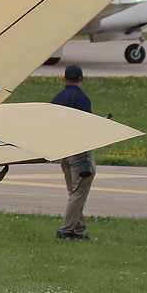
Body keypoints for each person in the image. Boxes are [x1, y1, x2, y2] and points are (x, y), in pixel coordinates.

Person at [51, 63, 94, 240]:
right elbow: (86, 126)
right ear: (82, 79)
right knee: (78, 193)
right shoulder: (81, 98)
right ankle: (66, 230)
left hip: (63, 150)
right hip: (79, 152)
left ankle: (78, 230)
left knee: (74, 192)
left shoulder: (57, 98)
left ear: (64, 79)